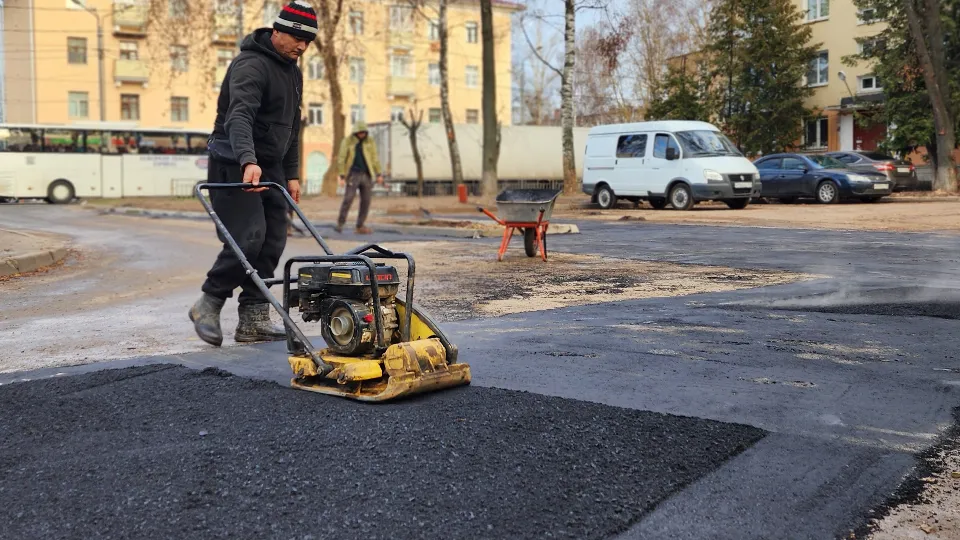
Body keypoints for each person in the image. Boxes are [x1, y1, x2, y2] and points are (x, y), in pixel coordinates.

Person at [188, 1, 317, 347]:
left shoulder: (293, 71)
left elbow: (292, 126)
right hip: (234, 162)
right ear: (277, 31)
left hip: (270, 166)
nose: (302, 47)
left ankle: (254, 319)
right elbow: (239, 117)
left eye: (309, 42)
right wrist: (248, 161)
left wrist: (292, 174)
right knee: (248, 237)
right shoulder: (251, 65)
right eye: (297, 38)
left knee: (274, 238)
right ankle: (208, 303)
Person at [335, 122, 384, 234]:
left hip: (366, 174)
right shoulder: (348, 141)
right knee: (348, 198)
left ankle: (360, 225)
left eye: (364, 132)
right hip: (353, 174)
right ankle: (340, 223)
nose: (362, 135)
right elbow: (341, 158)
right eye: (360, 132)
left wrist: (379, 174)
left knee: (366, 201)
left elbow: (374, 158)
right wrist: (342, 175)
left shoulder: (369, 141)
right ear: (356, 133)